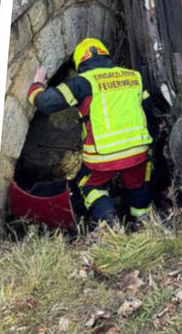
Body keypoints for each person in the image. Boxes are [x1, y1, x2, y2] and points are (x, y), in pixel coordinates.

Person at [27, 38, 154, 225]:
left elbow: (45, 102)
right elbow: (149, 111)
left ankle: (109, 221)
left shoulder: (82, 83)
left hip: (101, 157)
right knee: (138, 186)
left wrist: (36, 86)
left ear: (80, 61)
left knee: (89, 185)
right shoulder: (134, 77)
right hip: (137, 153)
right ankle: (143, 222)